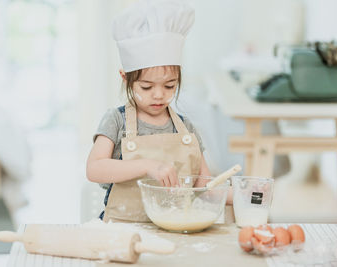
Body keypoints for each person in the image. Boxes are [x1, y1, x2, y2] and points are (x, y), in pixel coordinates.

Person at [86, 0, 232, 223]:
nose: (158, 95)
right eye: (146, 87)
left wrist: (242, 194)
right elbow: (94, 169)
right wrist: (146, 165)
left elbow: (205, 185)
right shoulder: (117, 121)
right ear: (125, 78)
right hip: (122, 229)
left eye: (169, 86)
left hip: (175, 228)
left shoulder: (185, 128)